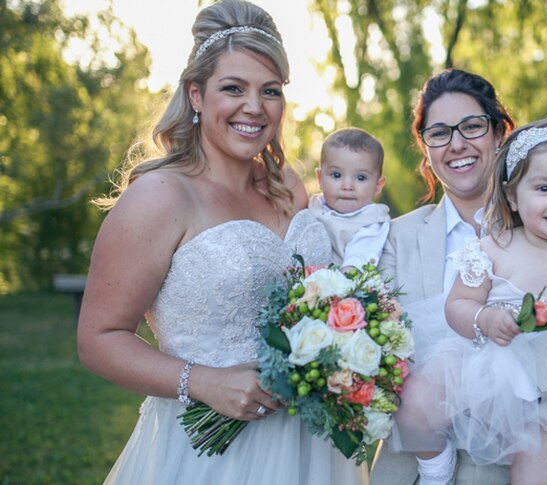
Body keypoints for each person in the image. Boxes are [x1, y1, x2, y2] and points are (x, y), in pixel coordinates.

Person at [76, 1, 367, 483]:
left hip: (310, 445)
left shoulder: (288, 186)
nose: (254, 107)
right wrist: (203, 381)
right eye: (234, 88)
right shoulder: (160, 196)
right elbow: (98, 340)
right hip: (209, 453)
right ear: (196, 94)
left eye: (269, 91)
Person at [372, 68, 547, 485]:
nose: (457, 143)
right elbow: (381, 340)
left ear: (500, 133)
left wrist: (528, 383)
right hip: (422, 458)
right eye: (439, 132)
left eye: (472, 126)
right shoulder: (396, 238)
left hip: (546, 437)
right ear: (424, 147)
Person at [301, 127, 389, 270]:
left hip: (345, 287)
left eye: (361, 178)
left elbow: (358, 260)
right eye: (336, 175)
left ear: (378, 186)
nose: (347, 186)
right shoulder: (312, 206)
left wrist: (344, 277)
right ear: (320, 178)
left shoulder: (372, 222)